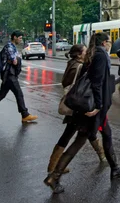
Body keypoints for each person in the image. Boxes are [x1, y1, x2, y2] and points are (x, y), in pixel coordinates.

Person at [44, 33, 120, 195]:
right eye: (109, 41)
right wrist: (97, 105)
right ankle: (54, 177)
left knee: (107, 134)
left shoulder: (91, 54)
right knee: (79, 141)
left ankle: (115, 167)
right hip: (94, 108)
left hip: (91, 106)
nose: (110, 44)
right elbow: (96, 82)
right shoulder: (101, 55)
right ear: (104, 42)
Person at [0, 30, 38, 125]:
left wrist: (16, 59)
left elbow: (14, 60)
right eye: (20, 38)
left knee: (0, 95)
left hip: (7, 75)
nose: (21, 40)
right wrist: (17, 59)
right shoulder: (10, 46)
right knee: (19, 93)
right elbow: (14, 61)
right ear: (14, 37)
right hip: (9, 74)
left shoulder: (12, 46)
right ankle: (25, 114)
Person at [46, 44, 88, 175]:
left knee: (79, 133)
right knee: (71, 133)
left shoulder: (72, 63)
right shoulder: (78, 67)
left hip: (73, 102)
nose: (87, 53)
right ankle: (54, 167)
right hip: (76, 104)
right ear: (79, 54)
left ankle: (54, 165)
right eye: (85, 51)